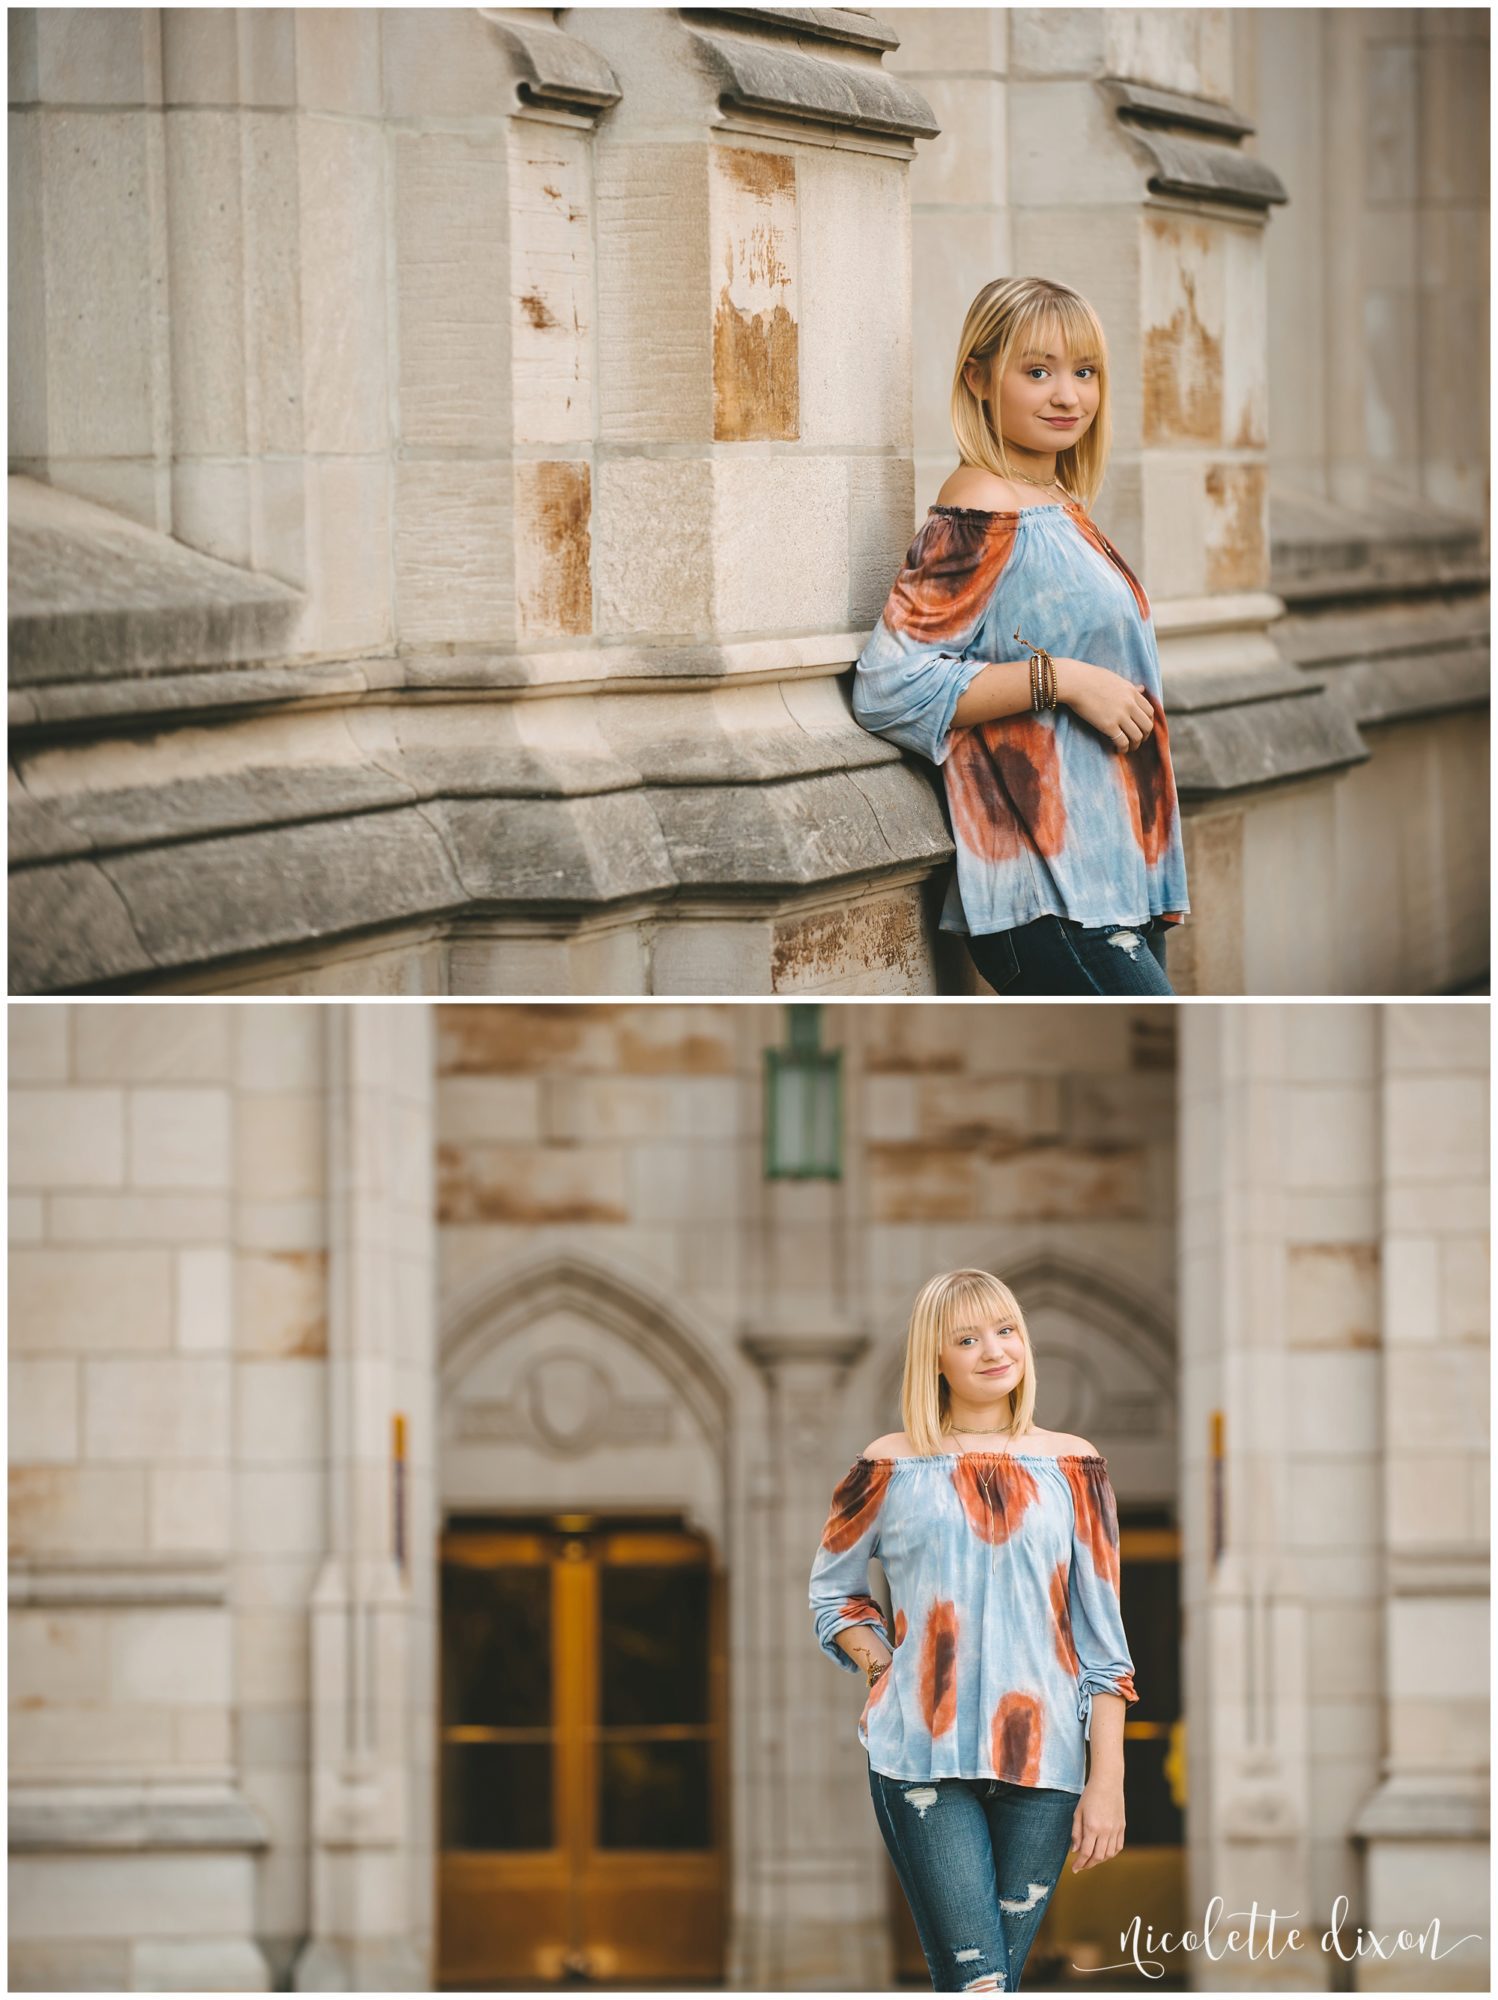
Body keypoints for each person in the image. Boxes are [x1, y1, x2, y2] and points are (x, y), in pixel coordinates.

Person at [851, 276, 1190, 996]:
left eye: (1084, 372)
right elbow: (888, 685)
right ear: (978, 376)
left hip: (1111, 878)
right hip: (1049, 897)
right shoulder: (982, 505)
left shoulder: (1057, 502)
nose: (1068, 396)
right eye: (1038, 372)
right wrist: (1061, 680)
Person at [807, 1268, 1138, 1993]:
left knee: (996, 1983)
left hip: (1045, 1765)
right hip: (923, 1758)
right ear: (936, 1358)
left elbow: (1104, 1644)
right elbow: (834, 1595)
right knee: (977, 1983)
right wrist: (881, 1668)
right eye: (967, 1337)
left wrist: (1105, 1780)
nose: (994, 1349)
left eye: (1006, 1329)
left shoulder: (1074, 1466)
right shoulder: (887, 1467)